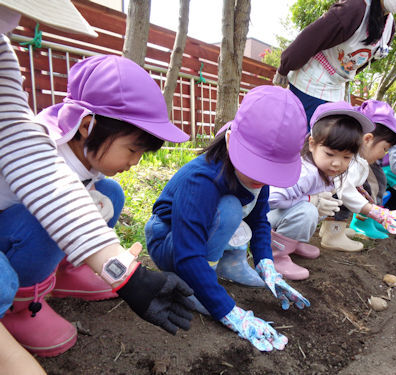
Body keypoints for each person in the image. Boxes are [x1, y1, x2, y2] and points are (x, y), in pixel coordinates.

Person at [0, 0, 194, 362]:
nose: (134, 163)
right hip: (12, 226)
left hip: (23, 223)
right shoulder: (50, 147)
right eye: (132, 150)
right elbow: (54, 196)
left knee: (109, 193)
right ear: (88, 125)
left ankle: (68, 271)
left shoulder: (83, 149)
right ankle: (23, 304)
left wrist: (121, 271)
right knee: (42, 227)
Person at [145, 86, 311, 352]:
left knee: (234, 210)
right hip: (170, 239)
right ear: (231, 140)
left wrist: (266, 264)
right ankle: (196, 282)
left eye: (271, 171)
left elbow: (259, 221)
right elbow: (188, 253)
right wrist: (228, 310)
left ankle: (229, 265)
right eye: (256, 165)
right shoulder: (200, 180)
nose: (262, 177)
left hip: (202, 238)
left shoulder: (260, 177)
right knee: (231, 208)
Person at [267, 101, 372, 279]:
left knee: (321, 206)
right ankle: (276, 255)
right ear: (312, 144)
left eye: (346, 157)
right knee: (308, 210)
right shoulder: (306, 173)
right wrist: (310, 200)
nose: (337, 163)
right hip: (264, 221)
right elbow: (272, 198)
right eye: (330, 154)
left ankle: (294, 242)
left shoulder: (326, 171)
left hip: (281, 216)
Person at [273, 0, 396, 123]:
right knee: (301, 136)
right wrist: (284, 68)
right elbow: (309, 38)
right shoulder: (355, 8)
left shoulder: (389, 28)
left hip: (336, 88)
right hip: (311, 81)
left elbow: (363, 61)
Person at [324, 100, 396, 242]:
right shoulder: (352, 162)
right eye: (385, 149)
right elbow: (345, 191)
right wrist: (374, 211)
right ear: (367, 139)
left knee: (354, 194)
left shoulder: (356, 159)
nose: (384, 155)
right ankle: (333, 235)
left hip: (319, 203)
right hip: (314, 203)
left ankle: (330, 230)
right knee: (344, 200)